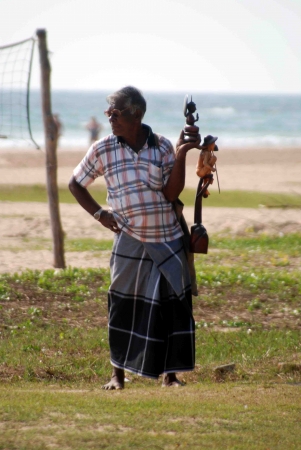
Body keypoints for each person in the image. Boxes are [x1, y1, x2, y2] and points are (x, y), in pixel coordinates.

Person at [69, 86, 200, 390]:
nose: (110, 118)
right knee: (121, 304)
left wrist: (181, 154)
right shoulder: (103, 148)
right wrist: (99, 213)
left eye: (115, 113)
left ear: (136, 114)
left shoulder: (164, 147)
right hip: (129, 238)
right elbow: (76, 184)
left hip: (167, 237)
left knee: (172, 305)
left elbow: (171, 193)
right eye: (108, 113)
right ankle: (116, 376)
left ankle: (170, 377)